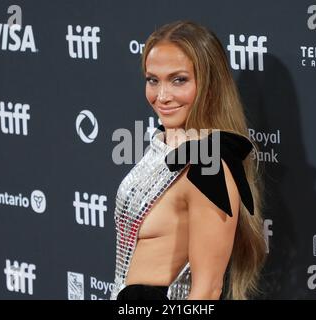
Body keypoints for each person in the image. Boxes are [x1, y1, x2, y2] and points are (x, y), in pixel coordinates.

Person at [110, 20, 266, 300]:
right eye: (152, 80)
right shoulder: (163, 142)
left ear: (208, 84)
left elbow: (207, 290)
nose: (162, 96)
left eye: (178, 79)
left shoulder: (208, 168)